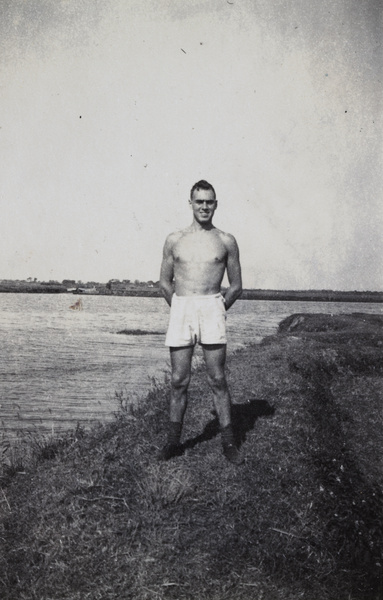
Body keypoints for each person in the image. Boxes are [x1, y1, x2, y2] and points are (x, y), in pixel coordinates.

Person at [158, 180, 243, 464]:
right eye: (199, 201)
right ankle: (173, 443)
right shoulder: (174, 239)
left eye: (209, 202)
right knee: (179, 380)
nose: (204, 206)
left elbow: (236, 286)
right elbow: (164, 282)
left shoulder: (226, 240)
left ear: (215, 204)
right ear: (191, 203)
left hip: (212, 307)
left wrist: (218, 308)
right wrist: (180, 307)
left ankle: (229, 443)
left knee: (217, 379)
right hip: (182, 307)